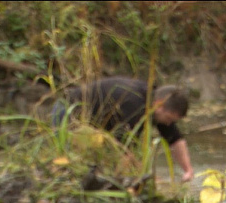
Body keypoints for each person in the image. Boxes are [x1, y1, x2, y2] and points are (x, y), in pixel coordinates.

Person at [52, 76, 194, 182]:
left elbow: (175, 139)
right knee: (68, 163)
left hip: (95, 122)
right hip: (68, 111)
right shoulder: (133, 106)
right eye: (169, 119)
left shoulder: (157, 102)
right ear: (158, 105)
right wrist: (154, 182)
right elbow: (125, 153)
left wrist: (188, 170)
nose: (169, 124)